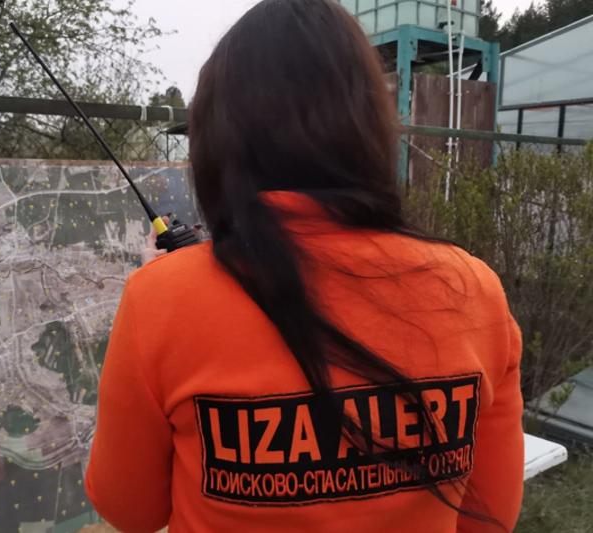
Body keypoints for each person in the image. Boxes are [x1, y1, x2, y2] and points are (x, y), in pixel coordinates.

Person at [85, 0, 524, 531]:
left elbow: (130, 510)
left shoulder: (159, 299)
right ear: (370, 126)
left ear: (219, 142)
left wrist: (174, 288)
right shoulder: (474, 290)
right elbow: (489, 519)